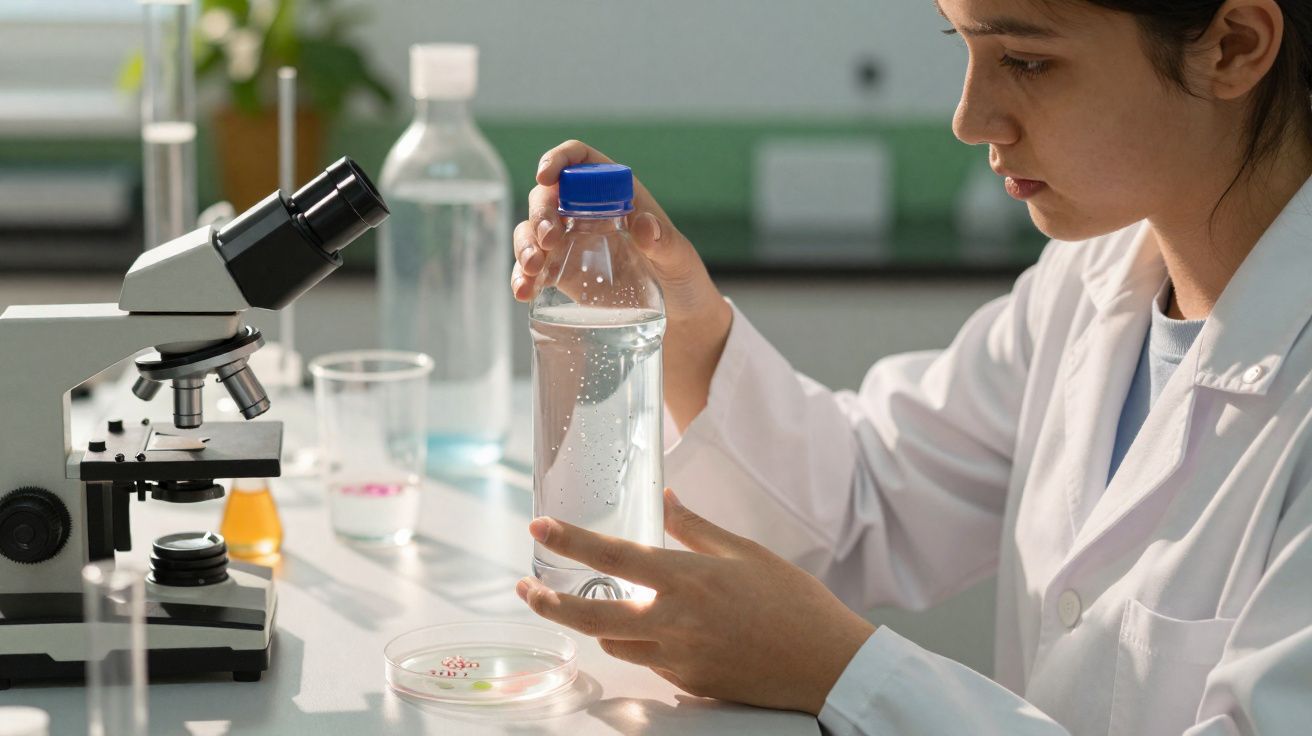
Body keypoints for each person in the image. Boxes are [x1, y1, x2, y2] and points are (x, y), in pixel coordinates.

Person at [508, 0, 1312, 733]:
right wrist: (678, 312)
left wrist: (841, 671)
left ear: (1233, 47)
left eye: (1025, 61)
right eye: (960, 46)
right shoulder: (1095, 281)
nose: (968, 118)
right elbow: (867, 498)